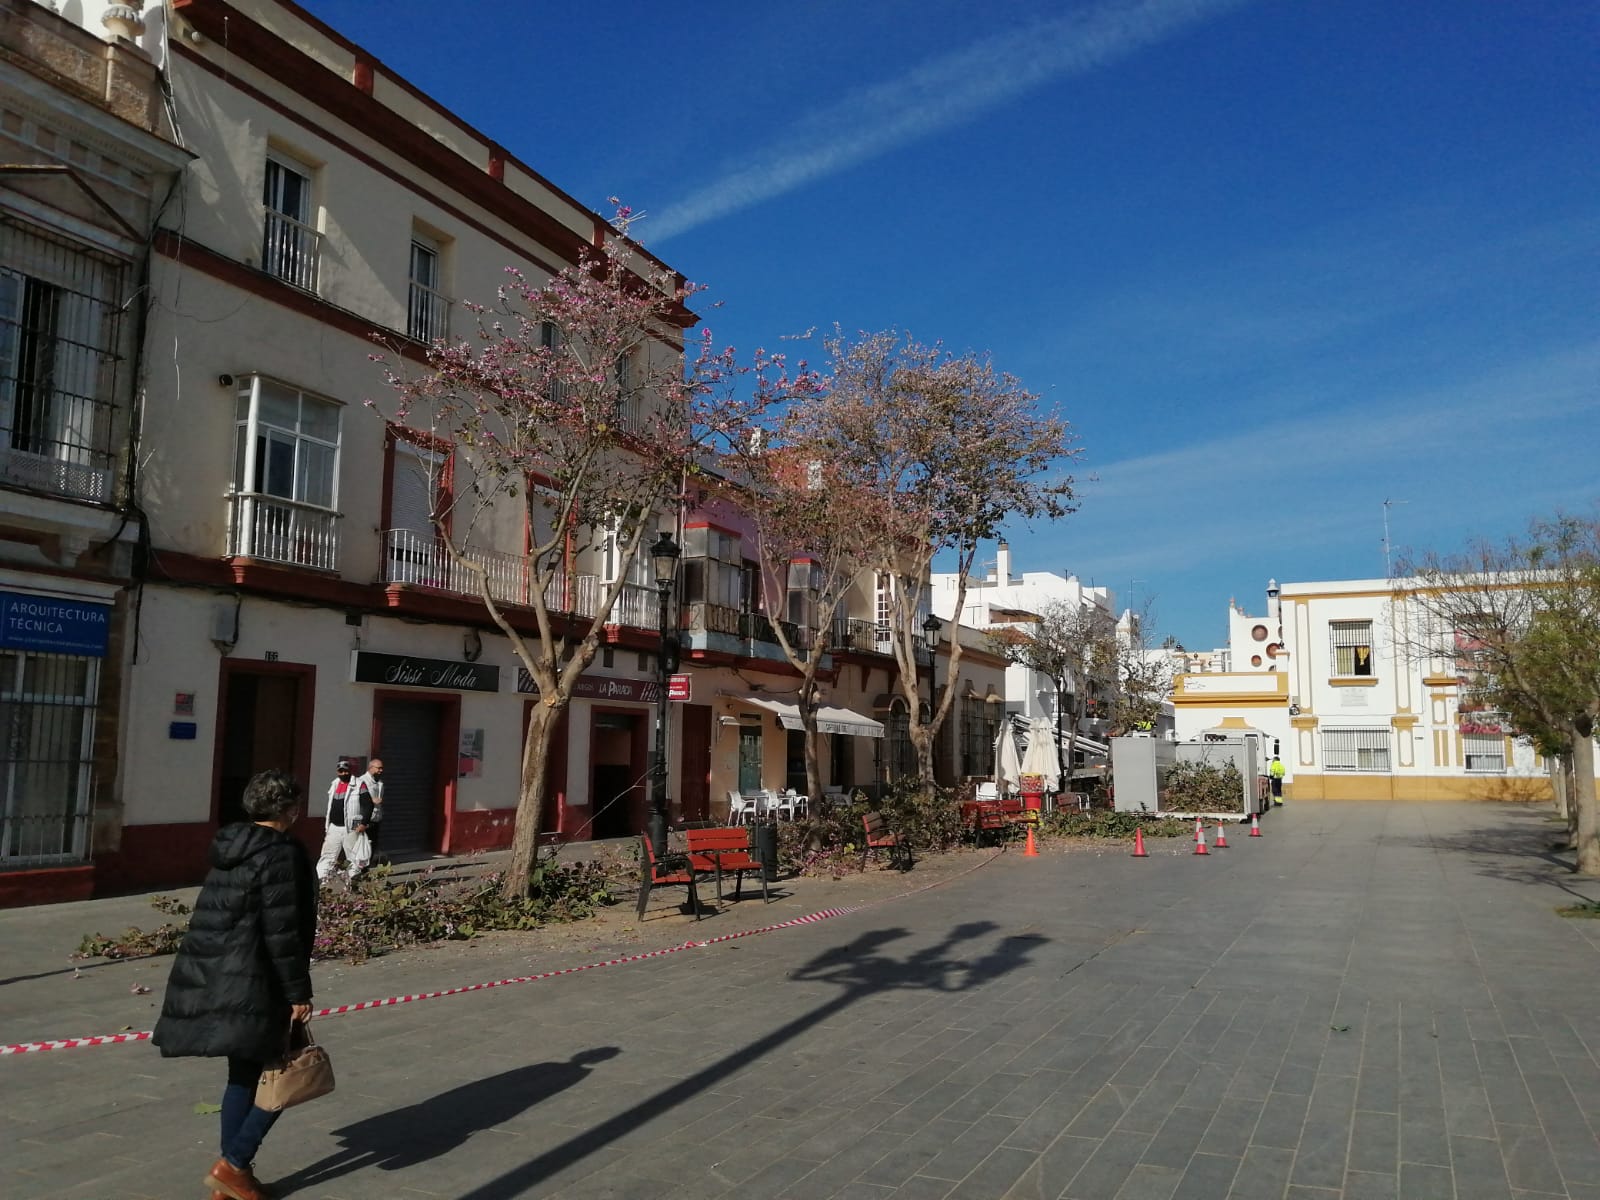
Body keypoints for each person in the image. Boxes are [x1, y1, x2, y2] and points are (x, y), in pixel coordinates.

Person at [152, 768, 317, 1200]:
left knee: (242, 1076)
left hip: (220, 975)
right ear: (290, 809)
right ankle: (235, 1163)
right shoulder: (280, 853)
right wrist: (298, 991)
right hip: (257, 979)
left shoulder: (231, 847)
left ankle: (229, 1182)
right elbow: (282, 930)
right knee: (285, 1070)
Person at [317, 759, 373, 884]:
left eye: (345, 771)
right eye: (340, 771)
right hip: (334, 828)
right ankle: (321, 882)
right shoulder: (335, 784)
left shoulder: (359, 784)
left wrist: (364, 823)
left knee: (353, 857)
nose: (343, 774)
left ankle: (353, 883)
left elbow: (368, 805)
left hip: (352, 827)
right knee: (328, 855)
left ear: (350, 771)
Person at [358, 757, 385, 865]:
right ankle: (360, 869)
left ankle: (367, 869)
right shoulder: (362, 781)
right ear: (371, 767)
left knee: (372, 845)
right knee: (363, 846)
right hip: (365, 819)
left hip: (376, 818)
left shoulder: (380, 783)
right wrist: (371, 800)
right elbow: (356, 798)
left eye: (382, 768)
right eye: (379, 768)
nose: (381, 770)